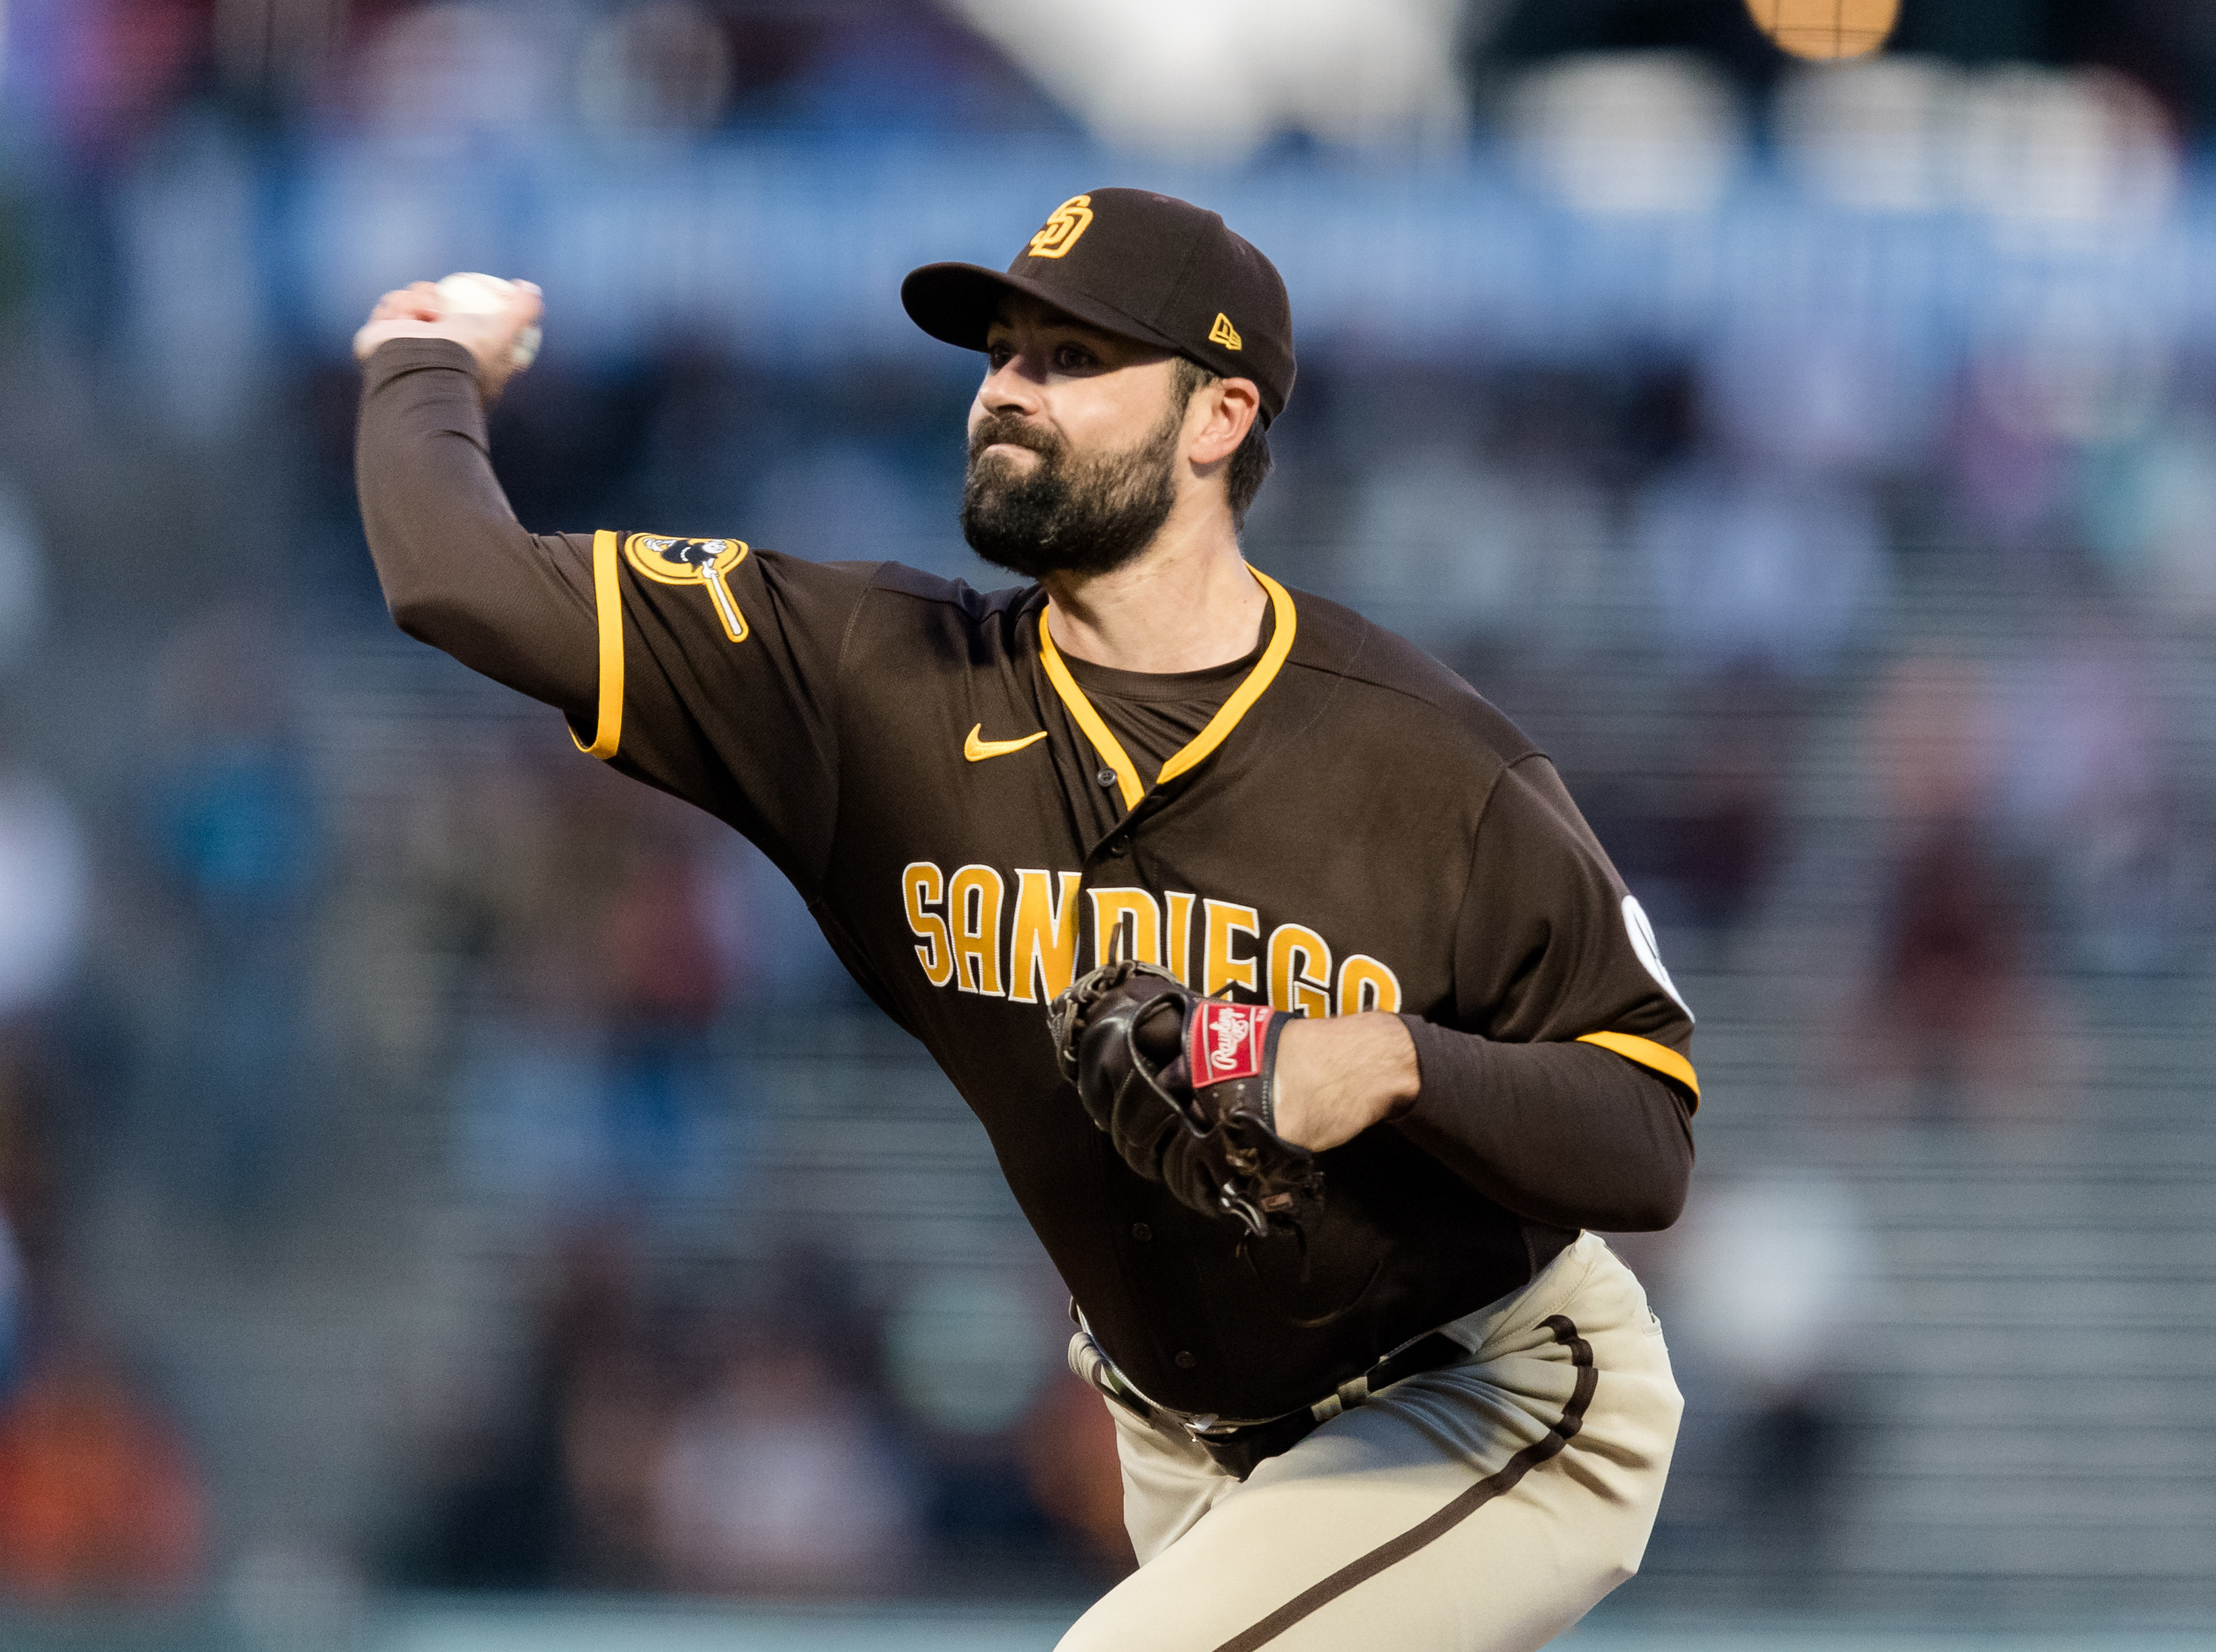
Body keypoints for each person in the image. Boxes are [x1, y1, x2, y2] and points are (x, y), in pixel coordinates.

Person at [353, 188, 1696, 1652]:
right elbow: (453, 577)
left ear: (1216, 415)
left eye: (1070, 358)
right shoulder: (870, 682)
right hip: (1185, 1444)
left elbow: (1644, 1130)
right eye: (999, 352)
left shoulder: (1433, 765)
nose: (1003, 390)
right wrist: (423, 359)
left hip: (1484, 1390)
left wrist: (1393, 1060)